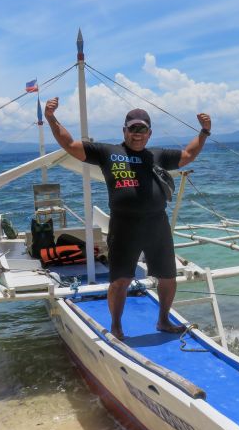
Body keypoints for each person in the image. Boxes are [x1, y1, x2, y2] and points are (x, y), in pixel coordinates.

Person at [43, 98, 211, 339]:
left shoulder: (157, 155)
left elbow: (187, 155)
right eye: (133, 128)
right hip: (124, 225)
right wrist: (51, 118)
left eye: (142, 129)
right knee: (120, 280)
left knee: (168, 277)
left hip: (157, 224)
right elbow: (69, 143)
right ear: (124, 130)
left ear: (149, 133)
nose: (137, 134)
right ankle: (116, 327)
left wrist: (204, 132)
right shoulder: (108, 152)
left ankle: (163, 321)